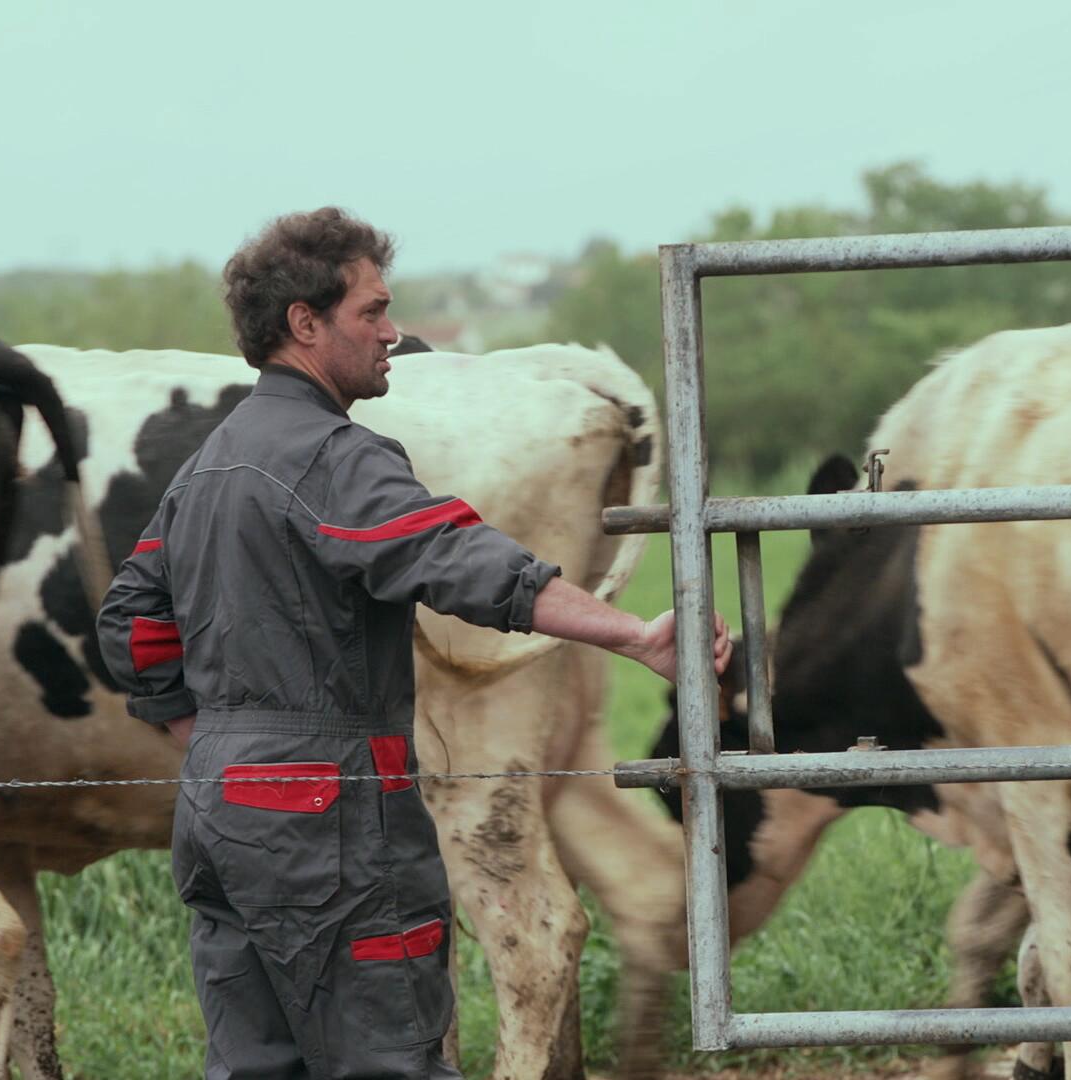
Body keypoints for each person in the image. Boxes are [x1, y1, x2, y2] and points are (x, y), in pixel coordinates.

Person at [96, 206, 730, 1079]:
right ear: (304, 324)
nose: (395, 334)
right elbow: (463, 561)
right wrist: (635, 634)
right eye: (372, 312)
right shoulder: (336, 459)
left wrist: (212, 744)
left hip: (222, 808)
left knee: (255, 1064)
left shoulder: (211, 461)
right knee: (390, 1056)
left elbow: (130, 617)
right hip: (335, 811)